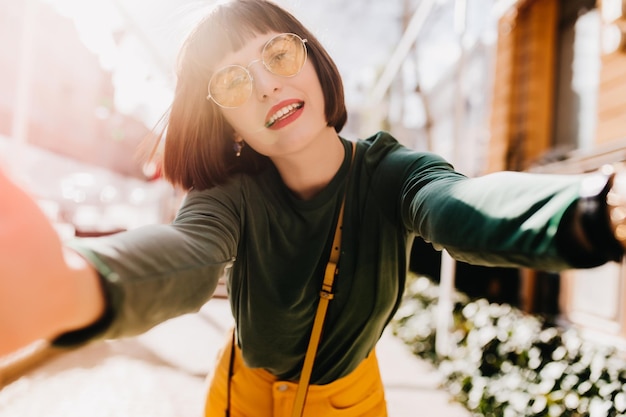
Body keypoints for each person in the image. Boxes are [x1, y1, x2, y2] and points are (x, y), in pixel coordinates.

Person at [1, 0, 625, 416]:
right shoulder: (231, 195)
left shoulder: (390, 174)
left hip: (346, 403)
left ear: (316, 64)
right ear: (230, 126)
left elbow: (457, 205)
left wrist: (598, 208)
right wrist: (76, 283)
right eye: (234, 83)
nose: (268, 83)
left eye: (276, 55)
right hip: (239, 393)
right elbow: (189, 255)